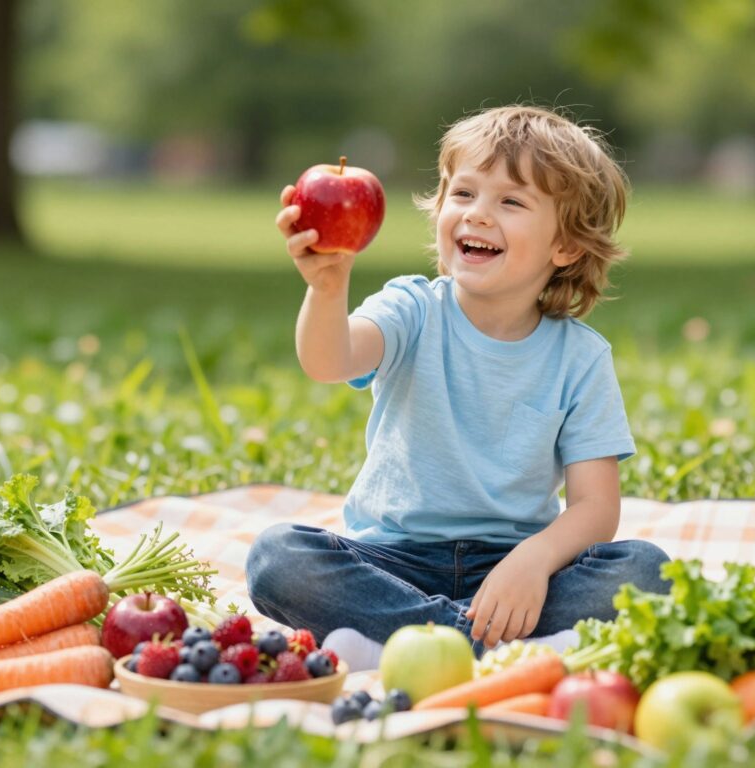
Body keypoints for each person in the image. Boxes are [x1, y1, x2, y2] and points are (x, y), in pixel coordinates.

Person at [247, 105, 669, 670]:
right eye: (463, 194)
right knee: (277, 558)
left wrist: (534, 561)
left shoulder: (581, 358)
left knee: (648, 572)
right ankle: (493, 648)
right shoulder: (412, 308)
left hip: (517, 569)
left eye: (511, 201)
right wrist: (327, 288)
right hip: (391, 560)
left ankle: (402, 642)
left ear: (565, 246)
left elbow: (596, 507)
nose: (478, 215)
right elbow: (329, 361)